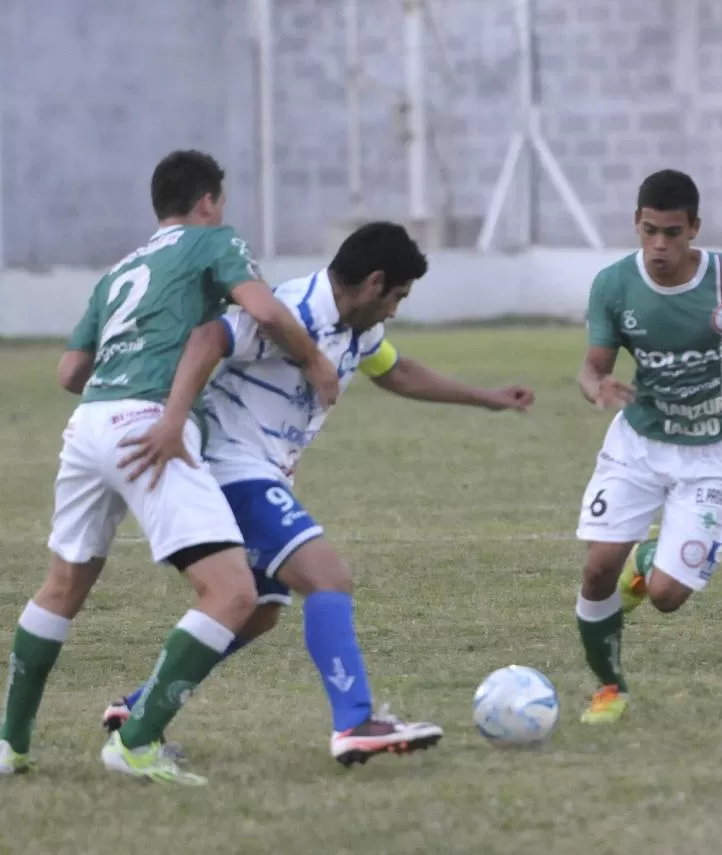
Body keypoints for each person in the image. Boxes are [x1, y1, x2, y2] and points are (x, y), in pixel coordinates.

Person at [101, 221, 536, 766]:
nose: (396, 310)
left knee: (256, 612)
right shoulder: (293, 311)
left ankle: (139, 710)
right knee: (328, 576)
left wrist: (487, 398)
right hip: (227, 466)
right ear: (374, 282)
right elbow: (210, 336)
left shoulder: (358, 328)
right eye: (397, 296)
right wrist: (174, 420)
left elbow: (395, 372)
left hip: (263, 472)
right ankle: (354, 722)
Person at [0, 150, 339, 785]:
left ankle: (8, 743)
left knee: (61, 587)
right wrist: (316, 361)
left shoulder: (121, 269)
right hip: (151, 425)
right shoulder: (213, 241)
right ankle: (136, 742)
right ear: (209, 201)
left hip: (89, 426)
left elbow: (70, 373)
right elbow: (264, 311)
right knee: (235, 593)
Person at [575, 169, 722, 724]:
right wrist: (597, 386)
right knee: (596, 570)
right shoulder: (614, 285)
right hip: (638, 444)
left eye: (672, 232)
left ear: (694, 227)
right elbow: (593, 367)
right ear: (636, 225)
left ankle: (650, 560)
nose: (660, 246)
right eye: (649, 231)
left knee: (667, 596)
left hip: (713, 451)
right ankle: (610, 688)